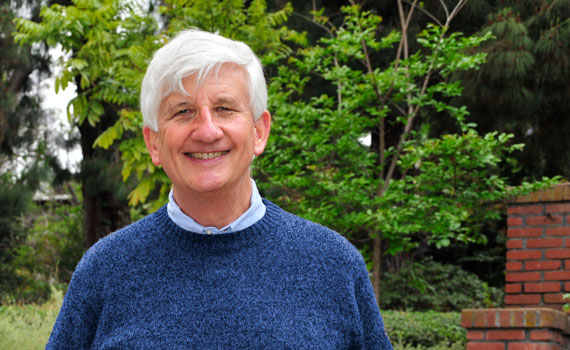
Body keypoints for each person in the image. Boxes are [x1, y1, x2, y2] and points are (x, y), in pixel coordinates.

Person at [47, 29, 393, 349]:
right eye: (183, 112)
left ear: (260, 131)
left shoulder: (333, 265)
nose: (207, 131)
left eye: (224, 109)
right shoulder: (105, 270)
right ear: (153, 143)